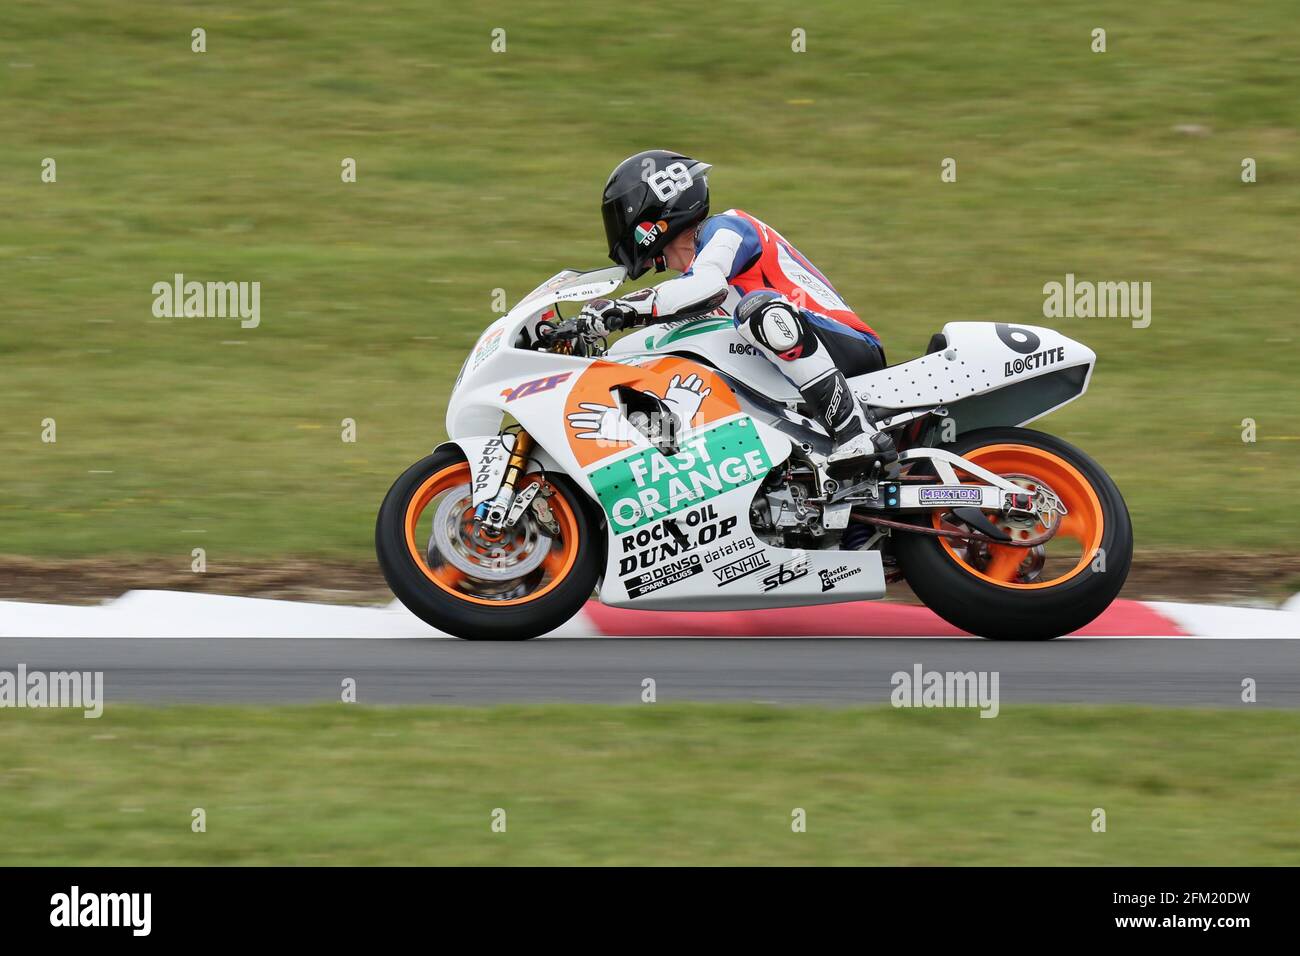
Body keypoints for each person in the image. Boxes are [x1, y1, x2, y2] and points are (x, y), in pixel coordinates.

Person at [581, 149, 891, 466]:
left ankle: (857, 433)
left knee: (757, 310)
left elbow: (708, 288)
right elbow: (659, 331)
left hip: (848, 348)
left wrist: (622, 308)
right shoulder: (694, 278)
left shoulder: (728, 228)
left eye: (621, 215)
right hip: (789, 366)